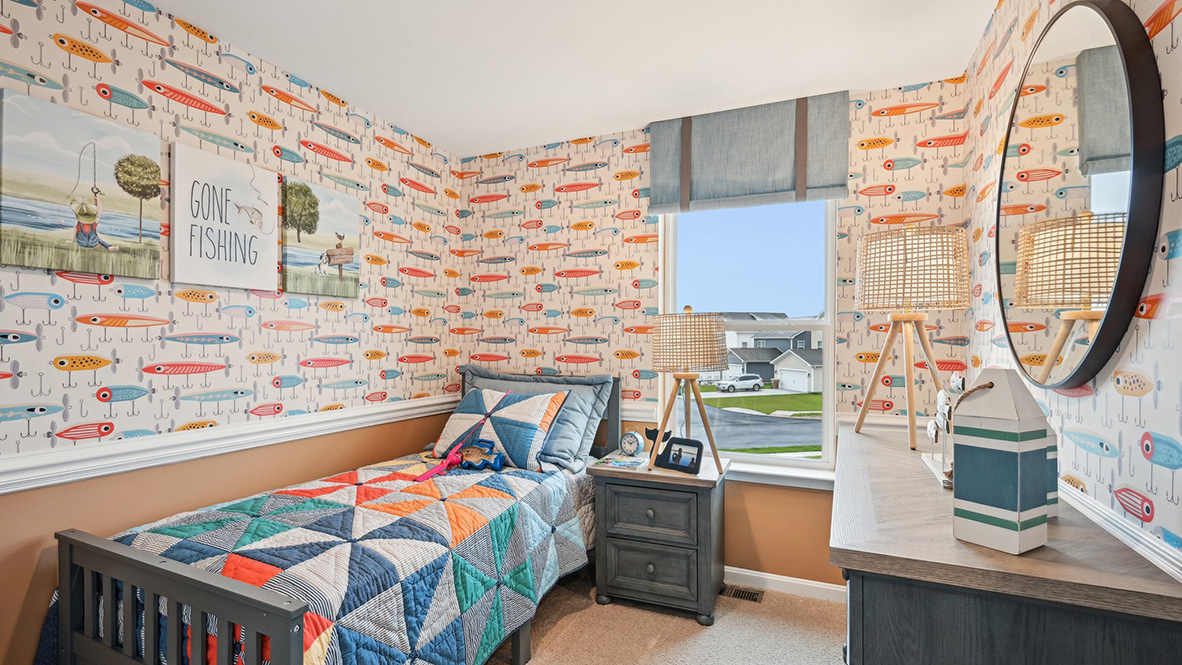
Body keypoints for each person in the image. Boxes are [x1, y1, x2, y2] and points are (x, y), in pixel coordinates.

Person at [70, 187, 119, 252]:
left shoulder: (78, 221)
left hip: (81, 242)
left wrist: (71, 240)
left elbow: (75, 230)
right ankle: (108, 247)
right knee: (95, 236)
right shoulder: (94, 221)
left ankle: (107, 246)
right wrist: (97, 197)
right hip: (93, 242)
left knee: (91, 235)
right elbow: (99, 209)